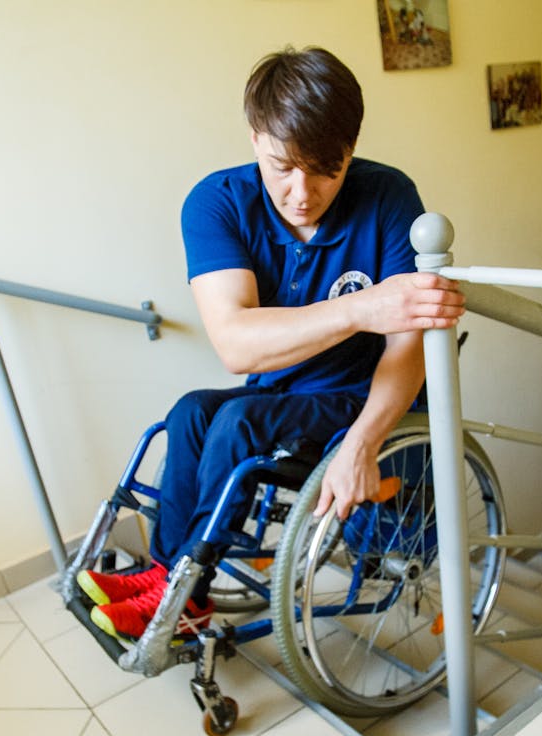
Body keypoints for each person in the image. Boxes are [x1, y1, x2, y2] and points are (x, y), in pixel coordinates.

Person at [77, 46, 464, 641]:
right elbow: (236, 345)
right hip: (278, 392)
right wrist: (360, 307)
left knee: (238, 425)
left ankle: (185, 592)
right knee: (193, 412)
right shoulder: (218, 202)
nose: (302, 191)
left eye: (325, 169)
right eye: (283, 167)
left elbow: (405, 351)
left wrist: (363, 442)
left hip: (355, 398)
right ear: (256, 136)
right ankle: (165, 574)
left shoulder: (388, 198)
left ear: (350, 152)